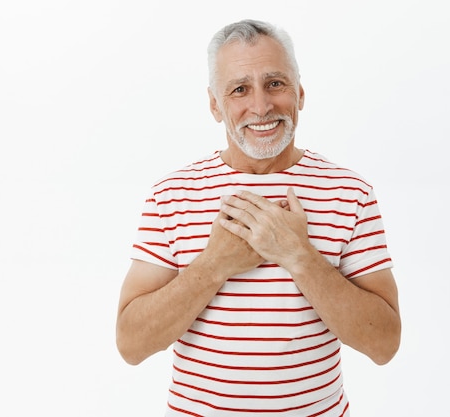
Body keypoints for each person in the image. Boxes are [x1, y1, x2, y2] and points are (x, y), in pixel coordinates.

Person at [116, 19, 401, 416]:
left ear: (300, 93)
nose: (262, 106)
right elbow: (131, 344)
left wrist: (297, 254)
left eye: (275, 84)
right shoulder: (172, 194)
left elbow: (384, 344)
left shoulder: (349, 192)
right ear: (215, 104)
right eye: (239, 89)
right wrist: (216, 263)